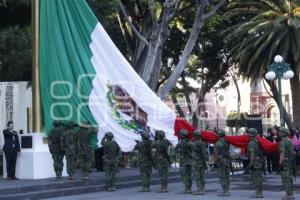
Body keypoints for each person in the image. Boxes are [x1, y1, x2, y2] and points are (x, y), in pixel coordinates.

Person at [278, 127, 295, 200]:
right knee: (289, 177)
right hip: (290, 161)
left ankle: (289, 195)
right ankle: (290, 193)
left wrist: (280, 162)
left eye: (279, 132)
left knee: (286, 178)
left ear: (282, 133)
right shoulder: (289, 140)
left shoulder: (283, 142)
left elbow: (282, 153)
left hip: (285, 161)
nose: (278, 133)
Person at [247, 128, 263, 198]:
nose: (247, 134)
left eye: (248, 133)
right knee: (258, 177)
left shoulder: (252, 143)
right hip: (259, 161)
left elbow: (252, 154)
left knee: (255, 177)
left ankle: (258, 193)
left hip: (255, 162)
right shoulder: (257, 141)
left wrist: (251, 164)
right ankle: (259, 192)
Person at [190, 130, 208, 195]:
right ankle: (202, 189)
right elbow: (205, 153)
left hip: (196, 162)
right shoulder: (203, 143)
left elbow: (188, 143)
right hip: (202, 162)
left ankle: (199, 190)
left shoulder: (192, 143)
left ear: (194, 136)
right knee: (202, 175)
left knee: (197, 176)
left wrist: (193, 139)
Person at [175, 129, 193, 194]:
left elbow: (176, 150)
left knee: (184, 175)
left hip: (184, 161)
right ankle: (188, 188)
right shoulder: (189, 142)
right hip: (190, 161)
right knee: (189, 175)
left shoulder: (182, 143)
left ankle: (187, 188)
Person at [214, 129, 230, 197]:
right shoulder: (227, 142)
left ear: (218, 136)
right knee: (227, 176)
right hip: (227, 160)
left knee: (222, 176)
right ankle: (227, 190)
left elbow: (216, 154)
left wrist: (215, 162)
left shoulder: (217, 143)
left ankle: (225, 192)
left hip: (220, 161)